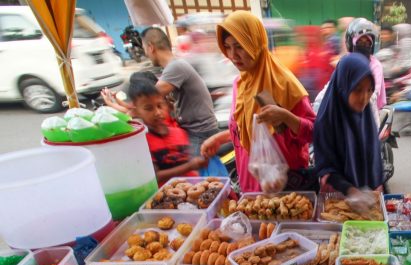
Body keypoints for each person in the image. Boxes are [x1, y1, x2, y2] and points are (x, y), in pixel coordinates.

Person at [200, 11, 315, 193]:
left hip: (284, 188)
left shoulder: (284, 84)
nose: (232, 55)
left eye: (239, 46)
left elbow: (315, 132)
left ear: (254, 43)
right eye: (227, 47)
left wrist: (286, 116)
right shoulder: (240, 83)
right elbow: (250, 129)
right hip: (251, 185)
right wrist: (220, 138)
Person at [141, 27, 219, 157]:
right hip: (193, 128)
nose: (146, 54)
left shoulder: (175, 67)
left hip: (199, 132)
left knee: (188, 170)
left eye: (144, 49)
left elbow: (149, 97)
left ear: (151, 47)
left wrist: (125, 108)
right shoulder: (173, 67)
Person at [314, 53, 383, 196]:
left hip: (368, 201)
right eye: (357, 90)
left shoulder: (366, 117)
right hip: (338, 204)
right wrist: (351, 191)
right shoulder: (326, 121)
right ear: (343, 86)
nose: (364, 98)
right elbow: (326, 168)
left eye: (369, 90)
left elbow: (375, 160)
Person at [127, 78, 207, 185]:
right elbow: (156, 177)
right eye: (148, 108)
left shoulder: (180, 133)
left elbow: (190, 166)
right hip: (166, 197)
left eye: (159, 105)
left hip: (192, 188)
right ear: (136, 111)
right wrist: (191, 166)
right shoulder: (142, 142)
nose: (157, 112)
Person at [313, 18, 386, 114]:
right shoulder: (344, 62)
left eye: (367, 42)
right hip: (343, 113)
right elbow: (330, 87)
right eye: (359, 42)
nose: (364, 45)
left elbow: (372, 96)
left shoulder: (375, 65)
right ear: (351, 43)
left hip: (367, 114)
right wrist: (317, 104)